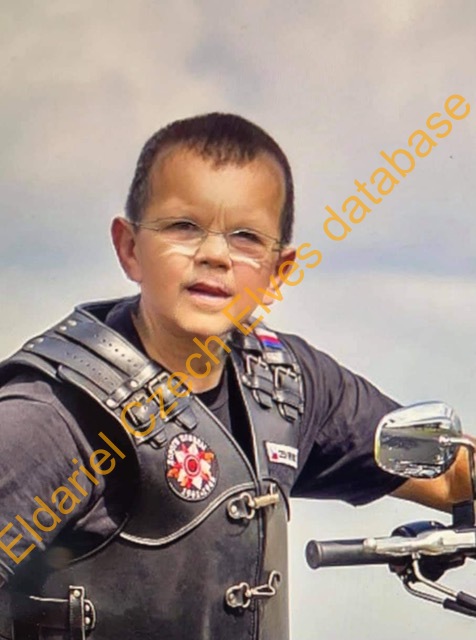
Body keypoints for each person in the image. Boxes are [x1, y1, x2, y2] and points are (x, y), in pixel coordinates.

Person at [0, 112, 473, 640]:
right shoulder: (55, 416)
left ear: (279, 271)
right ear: (130, 248)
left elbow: (450, 475)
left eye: (246, 237)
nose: (214, 255)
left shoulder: (286, 387)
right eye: (183, 227)